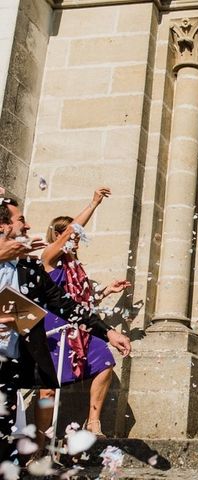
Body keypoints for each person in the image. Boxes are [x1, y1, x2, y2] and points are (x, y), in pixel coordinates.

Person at [0, 197, 131, 461]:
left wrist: (109, 332)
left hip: (9, 366)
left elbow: (66, 305)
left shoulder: (29, 269)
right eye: (21, 220)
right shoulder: (47, 254)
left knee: (6, 446)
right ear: (2, 226)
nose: (28, 226)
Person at [34, 187, 130, 448]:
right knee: (47, 389)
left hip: (80, 329)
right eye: (67, 233)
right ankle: (40, 443)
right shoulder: (49, 260)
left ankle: (93, 421)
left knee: (105, 360)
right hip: (54, 331)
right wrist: (93, 204)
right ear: (57, 236)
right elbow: (71, 231)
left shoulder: (77, 268)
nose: (75, 237)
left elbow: (82, 303)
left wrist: (107, 291)